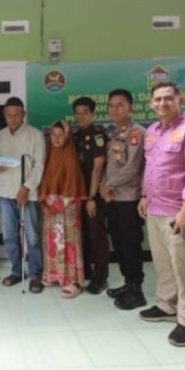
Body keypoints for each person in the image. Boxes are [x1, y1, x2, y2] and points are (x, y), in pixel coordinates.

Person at [138, 82, 185, 347]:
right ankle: (166, 305)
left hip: (178, 212)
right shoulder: (151, 131)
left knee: (184, 268)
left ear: (181, 100)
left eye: (168, 98)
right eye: (157, 99)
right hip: (155, 209)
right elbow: (150, 167)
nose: (162, 103)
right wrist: (144, 195)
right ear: (151, 103)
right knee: (163, 264)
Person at [100, 89, 147, 310]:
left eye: (120, 105)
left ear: (131, 108)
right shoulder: (114, 133)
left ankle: (137, 291)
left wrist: (108, 185)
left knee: (130, 245)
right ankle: (128, 284)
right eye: (111, 105)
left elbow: (132, 168)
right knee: (118, 244)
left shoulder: (137, 132)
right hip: (113, 198)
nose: (115, 109)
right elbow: (109, 164)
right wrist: (104, 187)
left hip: (128, 198)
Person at [0, 97, 45, 293]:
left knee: (32, 237)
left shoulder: (35, 135)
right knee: (9, 236)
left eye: (16, 115)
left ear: (23, 114)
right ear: (4, 115)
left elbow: (39, 166)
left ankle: (36, 275)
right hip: (6, 192)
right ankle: (16, 271)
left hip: (28, 194)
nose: (13, 119)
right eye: (9, 115)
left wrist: (25, 188)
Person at [39, 120, 87, 298]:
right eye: (53, 134)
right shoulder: (50, 154)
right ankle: (54, 275)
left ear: (67, 136)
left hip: (67, 207)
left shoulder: (70, 155)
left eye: (61, 135)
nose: (57, 138)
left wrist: (57, 205)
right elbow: (44, 181)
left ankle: (73, 281)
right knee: (53, 242)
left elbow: (73, 185)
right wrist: (45, 204)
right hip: (50, 207)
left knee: (69, 243)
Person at [72, 96, 111, 294]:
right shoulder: (75, 137)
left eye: (85, 113)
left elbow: (97, 169)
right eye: (77, 113)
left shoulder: (98, 136)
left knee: (97, 236)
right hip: (78, 195)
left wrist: (91, 198)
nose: (81, 116)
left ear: (93, 114)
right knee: (83, 235)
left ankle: (100, 277)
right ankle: (86, 272)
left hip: (93, 196)